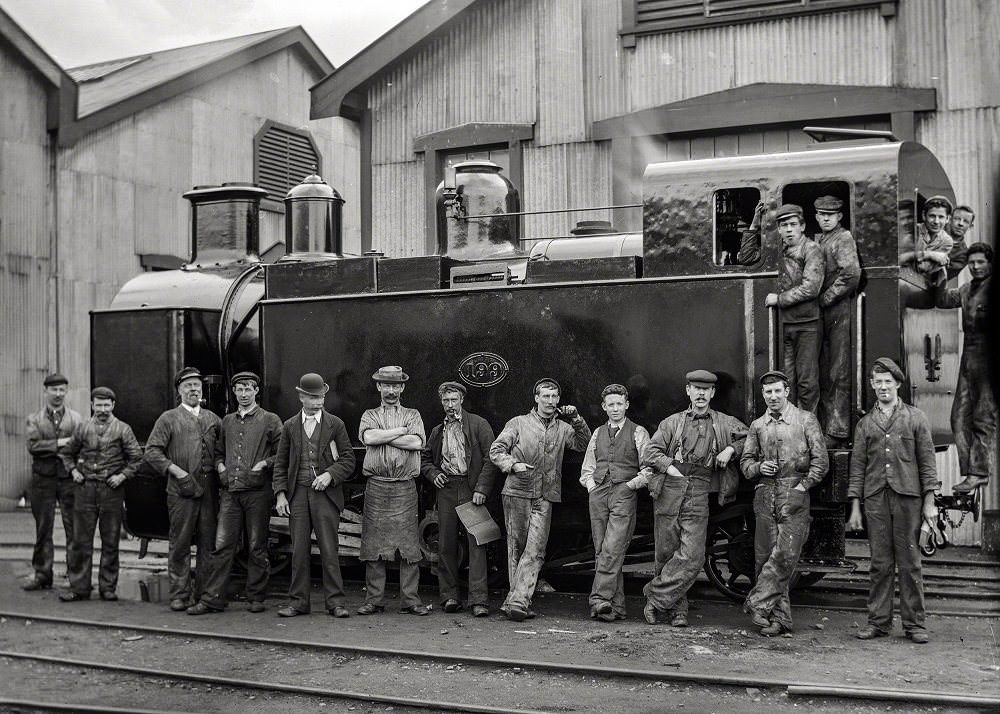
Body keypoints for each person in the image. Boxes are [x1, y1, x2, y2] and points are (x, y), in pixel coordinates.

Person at [641, 371, 748, 627]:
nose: (700, 393)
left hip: (700, 488)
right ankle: (678, 611)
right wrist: (669, 467)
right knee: (666, 552)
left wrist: (732, 449)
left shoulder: (724, 422)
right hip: (670, 487)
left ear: (712, 393)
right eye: (696, 388)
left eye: (706, 389)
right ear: (688, 391)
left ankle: (654, 596)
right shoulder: (672, 423)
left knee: (692, 556)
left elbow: (751, 437)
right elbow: (650, 452)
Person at [847, 358, 937, 644]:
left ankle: (915, 625)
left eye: (888, 381)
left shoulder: (916, 418)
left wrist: (929, 501)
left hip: (908, 499)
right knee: (880, 564)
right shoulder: (864, 424)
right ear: (872, 385)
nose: (883, 387)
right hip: (875, 499)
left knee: (910, 563)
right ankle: (879, 623)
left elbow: (927, 464)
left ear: (897, 384)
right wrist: (855, 507)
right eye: (878, 382)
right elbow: (857, 467)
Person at [489, 378, 591, 621]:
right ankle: (516, 602)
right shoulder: (518, 423)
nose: (550, 401)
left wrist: (576, 418)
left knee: (535, 551)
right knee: (517, 550)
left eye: (554, 396)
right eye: (545, 396)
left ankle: (517, 602)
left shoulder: (563, 428)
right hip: (517, 491)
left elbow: (584, 444)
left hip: (545, 496)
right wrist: (513, 465)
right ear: (536, 398)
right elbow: (496, 450)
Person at [187, 372, 283, 616]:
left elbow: (283, 453)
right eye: (239, 389)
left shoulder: (270, 420)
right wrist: (220, 467)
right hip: (231, 492)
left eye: (248, 389)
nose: (243, 394)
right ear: (234, 392)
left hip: (257, 493)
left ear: (256, 391)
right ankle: (212, 599)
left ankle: (256, 597)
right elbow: (219, 451)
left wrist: (264, 465)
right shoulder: (227, 421)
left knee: (256, 545)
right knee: (223, 545)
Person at [740, 370, 828, 636]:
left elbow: (821, 462)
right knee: (765, 559)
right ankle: (780, 620)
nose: (773, 396)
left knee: (784, 558)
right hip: (765, 495)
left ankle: (756, 602)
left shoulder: (805, 420)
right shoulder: (757, 426)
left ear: (787, 391)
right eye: (768, 392)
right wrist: (758, 467)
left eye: (778, 391)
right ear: (763, 395)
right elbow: (745, 465)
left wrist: (803, 486)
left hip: (795, 494)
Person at [270, 372, 356, 618]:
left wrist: (330, 475)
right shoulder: (289, 426)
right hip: (297, 495)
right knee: (299, 551)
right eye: (313, 397)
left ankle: (336, 603)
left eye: (321, 397)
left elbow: (349, 460)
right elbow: (280, 463)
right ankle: (298, 603)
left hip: (325, 497)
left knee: (329, 550)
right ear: (301, 397)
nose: (318, 401)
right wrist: (280, 494)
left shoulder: (335, 424)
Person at [144, 367, 221, 612]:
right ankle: (179, 594)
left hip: (208, 490)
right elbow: (152, 451)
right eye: (188, 386)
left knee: (208, 544)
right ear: (179, 390)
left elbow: (223, 450)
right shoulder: (168, 418)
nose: (193, 390)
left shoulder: (212, 419)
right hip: (180, 490)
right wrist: (177, 471)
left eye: (197, 385)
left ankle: (204, 595)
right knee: (180, 543)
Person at [420, 381, 499, 617]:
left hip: (470, 487)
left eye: (453, 400)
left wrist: (482, 488)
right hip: (446, 489)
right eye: (445, 400)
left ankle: (479, 600)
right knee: (446, 544)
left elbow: (491, 457)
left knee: (477, 543)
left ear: (462, 400)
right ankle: (449, 596)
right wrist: (434, 474)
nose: (449, 405)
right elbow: (425, 460)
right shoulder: (437, 431)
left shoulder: (478, 424)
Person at [357, 365, 430, 616]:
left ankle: (411, 600)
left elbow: (417, 442)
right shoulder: (369, 414)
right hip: (376, 486)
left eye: (395, 385)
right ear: (378, 386)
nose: (390, 390)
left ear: (402, 387)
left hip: (405, 488)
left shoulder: (413, 414)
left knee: (409, 547)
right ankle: (374, 600)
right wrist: (399, 432)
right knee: (373, 546)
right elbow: (368, 438)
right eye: (385, 385)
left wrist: (384, 435)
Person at [58, 387, 141, 602]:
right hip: (85, 490)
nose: (102, 409)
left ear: (113, 405)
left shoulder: (123, 429)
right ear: (92, 405)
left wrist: (122, 476)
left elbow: (137, 459)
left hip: (111, 491)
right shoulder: (83, 427)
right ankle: (79, 588)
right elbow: (67, 453)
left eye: (107, 405)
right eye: (98, 404)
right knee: (81, 541)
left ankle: (107, 587)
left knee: (111, 541)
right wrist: (74, 471)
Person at [579, 384, 651, 622]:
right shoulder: (598, 433)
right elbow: (587, 468)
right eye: (611, 404)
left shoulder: (638, 432)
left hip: (624, 493)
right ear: (604, 407)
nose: (615, 408)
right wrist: (591, 487)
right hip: (598, 494)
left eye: (619, 404)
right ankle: (616, 607)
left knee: (612, 549)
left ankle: (598, 599)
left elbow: (649, 467)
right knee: (602, 551)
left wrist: (631, 485)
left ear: (627, 405)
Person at [935, 242, 994, 493]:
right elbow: (942, 299)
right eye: (972, 263)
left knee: (983, 417)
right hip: (969, 356)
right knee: (958, 418)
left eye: (981, 262)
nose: (976, 266)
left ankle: (979, 472)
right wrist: (939, 274)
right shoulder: (967, 289)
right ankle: (971, 472)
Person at [755, 204, 824, 413]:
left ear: (802, 226)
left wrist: (780, 299)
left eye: (793, 224)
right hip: (785, 324)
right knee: (787, 382)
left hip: (807, 325)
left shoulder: (812, 249)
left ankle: (808, 426)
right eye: (784, 225)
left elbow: (811, 288)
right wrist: (754, 223)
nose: (789, 229)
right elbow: (747, 256)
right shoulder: (779, 250)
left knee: (807, 382)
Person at [24, 373, 82, 591]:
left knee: (73, 529)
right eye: (54, 390)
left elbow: (79, 446)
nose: (58, 394)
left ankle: (76, 577)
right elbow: (33, 447)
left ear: (66, 392)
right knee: (43, 528)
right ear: (45, 391)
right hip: (43, 480)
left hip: (68, 479)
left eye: (62, 390)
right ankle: (42, 574)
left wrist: (52, 448)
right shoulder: (34, 419)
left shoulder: (76, 419)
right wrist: (61, 443)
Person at [813, 195, 861, 447]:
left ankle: (838, 430)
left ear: (839, 216)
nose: (825, 218)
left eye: (830, 215)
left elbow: (851, 274)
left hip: (838, 308)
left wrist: (826, 298)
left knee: (837, 371)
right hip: (823, 311)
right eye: (821, 214)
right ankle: (825, 426)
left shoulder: (842, 238)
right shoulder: (819, 239)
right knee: (823, 369)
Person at [913, 195, 954, 282]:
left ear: (947, 219)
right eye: (932, 216)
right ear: (924, 215)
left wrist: (915, 256)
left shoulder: (946, 241)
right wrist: (931, 255)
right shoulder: (913, 231)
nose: (936, 221)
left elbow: (923, 268)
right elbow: (901, 259)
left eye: (941, 217)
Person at [945, 205, 975, 281]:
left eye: (966, 221)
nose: (961, 224)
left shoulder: (964, 255)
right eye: (957, 219)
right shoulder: (935, 230)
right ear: (950, 219)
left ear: (970, 226)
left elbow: (943, 276)